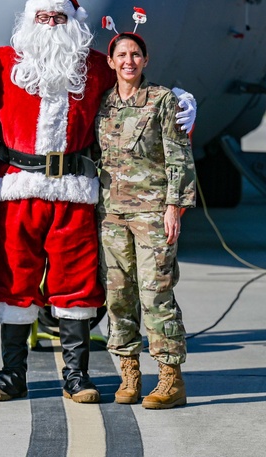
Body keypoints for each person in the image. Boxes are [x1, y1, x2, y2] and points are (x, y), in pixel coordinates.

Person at [0, 0, 197, 404]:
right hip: (17, 191)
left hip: (74, 193)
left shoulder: (96, 66)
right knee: (14, 281)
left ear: (73, 23)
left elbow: (131, 80)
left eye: (58, 17)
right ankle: (12, 374)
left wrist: (178, 99)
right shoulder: (0, 63)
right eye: (42, 16)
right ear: (29, 20)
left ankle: (77, 375)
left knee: (77, 282)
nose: (49, 23)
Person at [95, 32, 196, 410]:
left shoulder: (161, 100)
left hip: (153, 213)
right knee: (119, 296)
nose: (129, 61)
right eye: (121, 54)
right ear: (110, 61)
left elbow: (179, 156)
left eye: (136, 54)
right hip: (112, 214)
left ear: (146, 60)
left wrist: (175, 207)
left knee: (156, 294)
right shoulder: (103, 104)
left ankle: (170, 378)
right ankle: (129, 374)